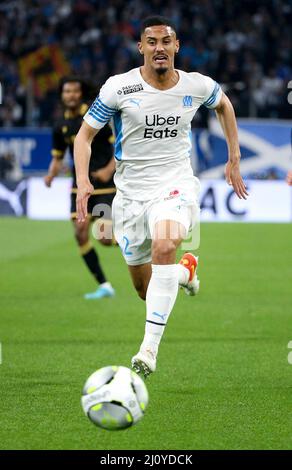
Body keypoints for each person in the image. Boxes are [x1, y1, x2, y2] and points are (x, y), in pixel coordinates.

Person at [74, 16, 248, 376]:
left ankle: (147, 352)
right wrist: (83, 181)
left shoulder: (196, 86)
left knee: (165, 246)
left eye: (166, 41)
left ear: (176, 47)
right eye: (151, 42)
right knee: (145, 289)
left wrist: (234, 155)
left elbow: (224, 105)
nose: (159, 48)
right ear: (141, 48)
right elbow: (83, 137)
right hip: (131, 196)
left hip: (176, 185)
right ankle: (185, 273)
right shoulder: (118, 89)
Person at [45, 77, 116, 300]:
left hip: (104, 186)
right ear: (62, 95)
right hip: (80, 187)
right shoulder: (60, 125)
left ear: (80, 93)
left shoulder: (97, 116)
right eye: (67, 92)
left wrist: (108, 170)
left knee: (104, 238)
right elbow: (58, 157)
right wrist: (50, 175)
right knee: (80, 233)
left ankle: (139, 239)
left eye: (75, 91)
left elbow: (121, 147)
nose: (71, 95)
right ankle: (104, 285)